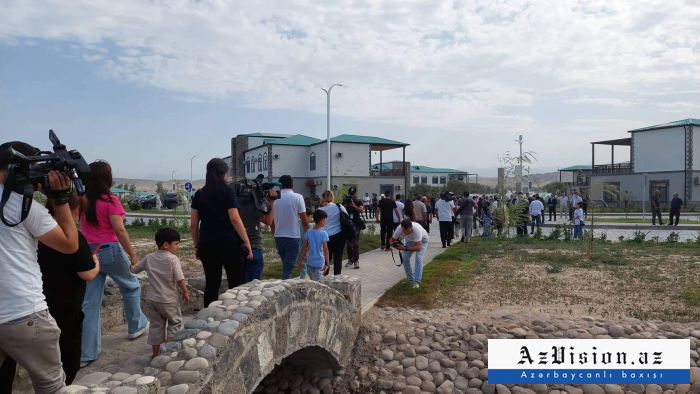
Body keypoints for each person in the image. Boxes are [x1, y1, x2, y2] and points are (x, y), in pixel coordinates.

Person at [0, 142, 80, 394]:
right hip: (23, 313)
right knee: (52, 388)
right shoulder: (23, 207)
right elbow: (69, 245)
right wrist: (60, 200)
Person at [80, 161, 149, 367]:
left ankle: (86, 353)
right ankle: (136, 325)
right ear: (106, 178)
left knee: (90, 302)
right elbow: (119, 230)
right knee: (131, 285)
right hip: (109, 249)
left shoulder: (83, 200)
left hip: (89, 252)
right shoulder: (110, 200)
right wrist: (133, 254)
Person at [191, 158, 253, 308]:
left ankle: (208, 318)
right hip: (229, 244)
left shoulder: (199, 194)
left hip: (206, 244)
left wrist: (196, 246)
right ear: (224, 174)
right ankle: (233, 315)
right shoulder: (228, 192)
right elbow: (235, 219)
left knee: (212, 283)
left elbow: (193, 224)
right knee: (235, 283)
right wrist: (247, 243)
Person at [130, 228, 189, 359]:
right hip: (169, 300)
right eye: (176, 244)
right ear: (166, 244)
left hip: (153, 299)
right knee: (174, 323)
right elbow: (179, 278)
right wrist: (185, 291)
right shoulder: (173, 259)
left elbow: (134, 270)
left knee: (156, 326)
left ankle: (155, 354)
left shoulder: (149, 257)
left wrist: (131, 263)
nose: (177, 247)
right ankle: (167, 351)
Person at [270, 175, 310, 279]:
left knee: (286, 265)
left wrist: (274, 235)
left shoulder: (274, 198)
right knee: (288, 268)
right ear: (293, 185)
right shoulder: (298, 197)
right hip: (293, 237)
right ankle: (284, 289)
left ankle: (284, 284)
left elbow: (271, 222)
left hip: (279, 236)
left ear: (280, 186)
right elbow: (305, 221)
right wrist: (309, 236)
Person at [236, 186, 277, 283]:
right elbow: (268, 221)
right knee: (252, 285)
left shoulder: (234, 206)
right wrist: (271, 202)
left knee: (239, 283)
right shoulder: (252, 206)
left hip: (238, 247)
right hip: (254, 247)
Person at [389, 219, 429, 289]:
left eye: (408, 230)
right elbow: (391, 239)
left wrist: (404, 248)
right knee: (405, 259)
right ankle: (410, 279)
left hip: (422, 240)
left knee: (418, 258)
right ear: (401, 227)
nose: (406, 232)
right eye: (404, 230)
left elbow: (418, 248)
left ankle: (417, 281)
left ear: (411, 227)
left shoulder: (417, 230)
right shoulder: (399, 228)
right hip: (410, 240)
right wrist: (393, 244)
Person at [318, 190, 348, 276]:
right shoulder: (339, 206)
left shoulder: (320, 210)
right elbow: (346, 217)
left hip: (325, 237)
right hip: (339, 235)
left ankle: (324, 276)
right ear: (332, 198)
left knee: (326, 257)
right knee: (338, 258)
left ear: (323, 198)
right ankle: (337, 277)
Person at [296, 210, 330, 282]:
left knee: (312, 281)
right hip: (319, 262)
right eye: (325, 220)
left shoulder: (309, 232)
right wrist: (327, 263)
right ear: (322, 221)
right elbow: (325, 249)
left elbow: (304, 247)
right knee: (318, 282)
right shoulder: (324, 233)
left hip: (310, 262)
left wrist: (301, 260)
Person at [343, 187, 364, 270]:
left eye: (353, 194)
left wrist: (354, 205)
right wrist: (346, 204)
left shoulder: (358, 201)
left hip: (356, 224)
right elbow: (342, 211)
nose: (352, 195)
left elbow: (361, 211)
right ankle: (350, 260)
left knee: (355, 243)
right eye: (351, 194)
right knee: (348, 243)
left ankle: (356, 261)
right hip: (347, 224)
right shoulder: (346, 201)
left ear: (355, 193)